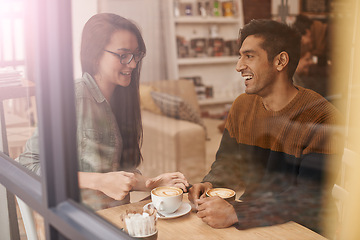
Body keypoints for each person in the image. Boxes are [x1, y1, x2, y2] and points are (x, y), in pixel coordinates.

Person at [18, 13, 189, 211]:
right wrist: (98, 181)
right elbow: (27, 165)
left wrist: (154, 183)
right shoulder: (72, 97)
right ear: (95, 55)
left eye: (136, 54)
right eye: (123, 55)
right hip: (81, 221)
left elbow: (117, 177)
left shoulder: (123, 100)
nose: (133, 64)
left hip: (117, 217)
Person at [188, 19, 343, 238]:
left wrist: (237, 213)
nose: (239, 66)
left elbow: (309, 196)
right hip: (256, 220)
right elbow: (228, 162)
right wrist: (210, 182)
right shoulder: (242, 106)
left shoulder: (322, 117)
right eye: (240, 56)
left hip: (304, 229)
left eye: (249, 56)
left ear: (280, 61)